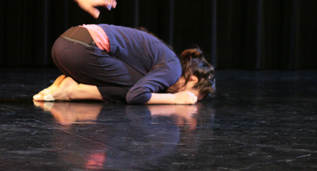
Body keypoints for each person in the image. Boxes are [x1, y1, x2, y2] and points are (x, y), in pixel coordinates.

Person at [33, 24, 215, 104]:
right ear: (191, 78)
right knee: (137, 88)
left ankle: (68, 84)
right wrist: (175, 99)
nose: (189, 101)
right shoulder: (173, 68)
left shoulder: (164, 61)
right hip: (81, 50)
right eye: (192, 96)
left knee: (140, 85)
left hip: (63, 45)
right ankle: (74, 91)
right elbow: (135, 96)